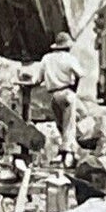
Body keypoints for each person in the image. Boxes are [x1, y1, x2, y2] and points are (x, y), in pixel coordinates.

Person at [38, 30, 83, 163]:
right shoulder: (69, 58)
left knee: (60, 125)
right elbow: (80, 74)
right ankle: (68, 155)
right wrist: (74, 90)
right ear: (68, 46)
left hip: (54, 95)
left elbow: (38, 78)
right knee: (69, 124)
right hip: (67, 92)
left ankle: (62, 152)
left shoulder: (46, 58)